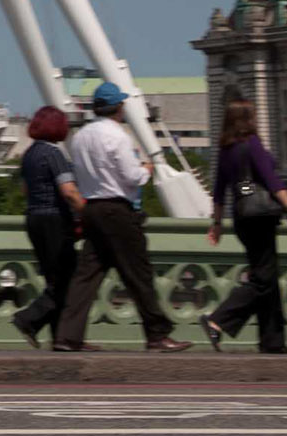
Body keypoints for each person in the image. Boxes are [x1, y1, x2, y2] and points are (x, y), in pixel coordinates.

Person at [54, 82, 194, 353]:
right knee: (138, 273)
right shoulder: (117, 136)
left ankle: (67, 335)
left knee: (86, 275)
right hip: (117, 211)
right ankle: (157, 334)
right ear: (117, 107)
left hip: (91, 208)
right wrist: (147, 169)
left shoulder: (81, 136)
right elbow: (132, 177)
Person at [201, 97, 287, 354]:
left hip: (242, 217)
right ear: (247, 120)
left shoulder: (226, 150)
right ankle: (217, 319)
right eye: (254, 116)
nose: (257, 119)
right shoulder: (252, 144)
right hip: (261, 217)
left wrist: (217, 223)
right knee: (263, 279)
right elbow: (272, 181)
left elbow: (219, 191)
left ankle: (273, 341)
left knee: (267, 277)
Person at [9, 105, 83, 349]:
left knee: (54, 278)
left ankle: (60, 338)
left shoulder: (30, 154)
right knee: (69, 278)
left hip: (34, 218)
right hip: (55, 220)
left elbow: (24, 190)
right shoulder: (54, 154)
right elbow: (68, 191)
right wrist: (86, 211)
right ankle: (28, 318)